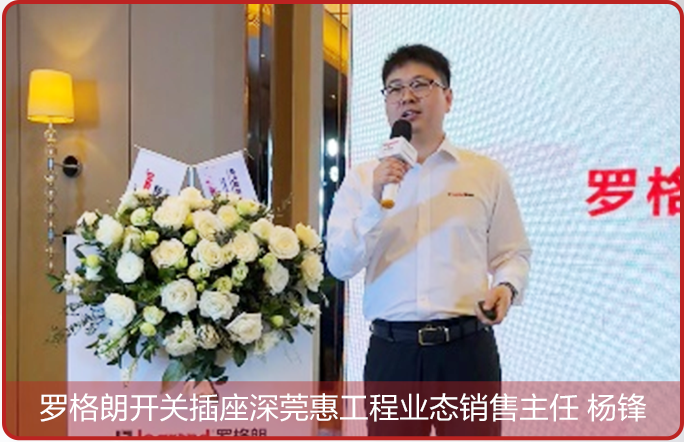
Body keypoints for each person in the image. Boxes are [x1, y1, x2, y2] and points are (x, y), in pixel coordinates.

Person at [325, 44, 532, 436]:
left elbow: (513, 253)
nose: (407, 96)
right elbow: (340, 264)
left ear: (448, 98)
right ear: (386, 103)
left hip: (466, 353)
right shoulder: (363, 178)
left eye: (421, 84)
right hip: (393, 355)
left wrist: (506, 287)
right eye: (395, 88)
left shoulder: (485, 173)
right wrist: (375, 201)